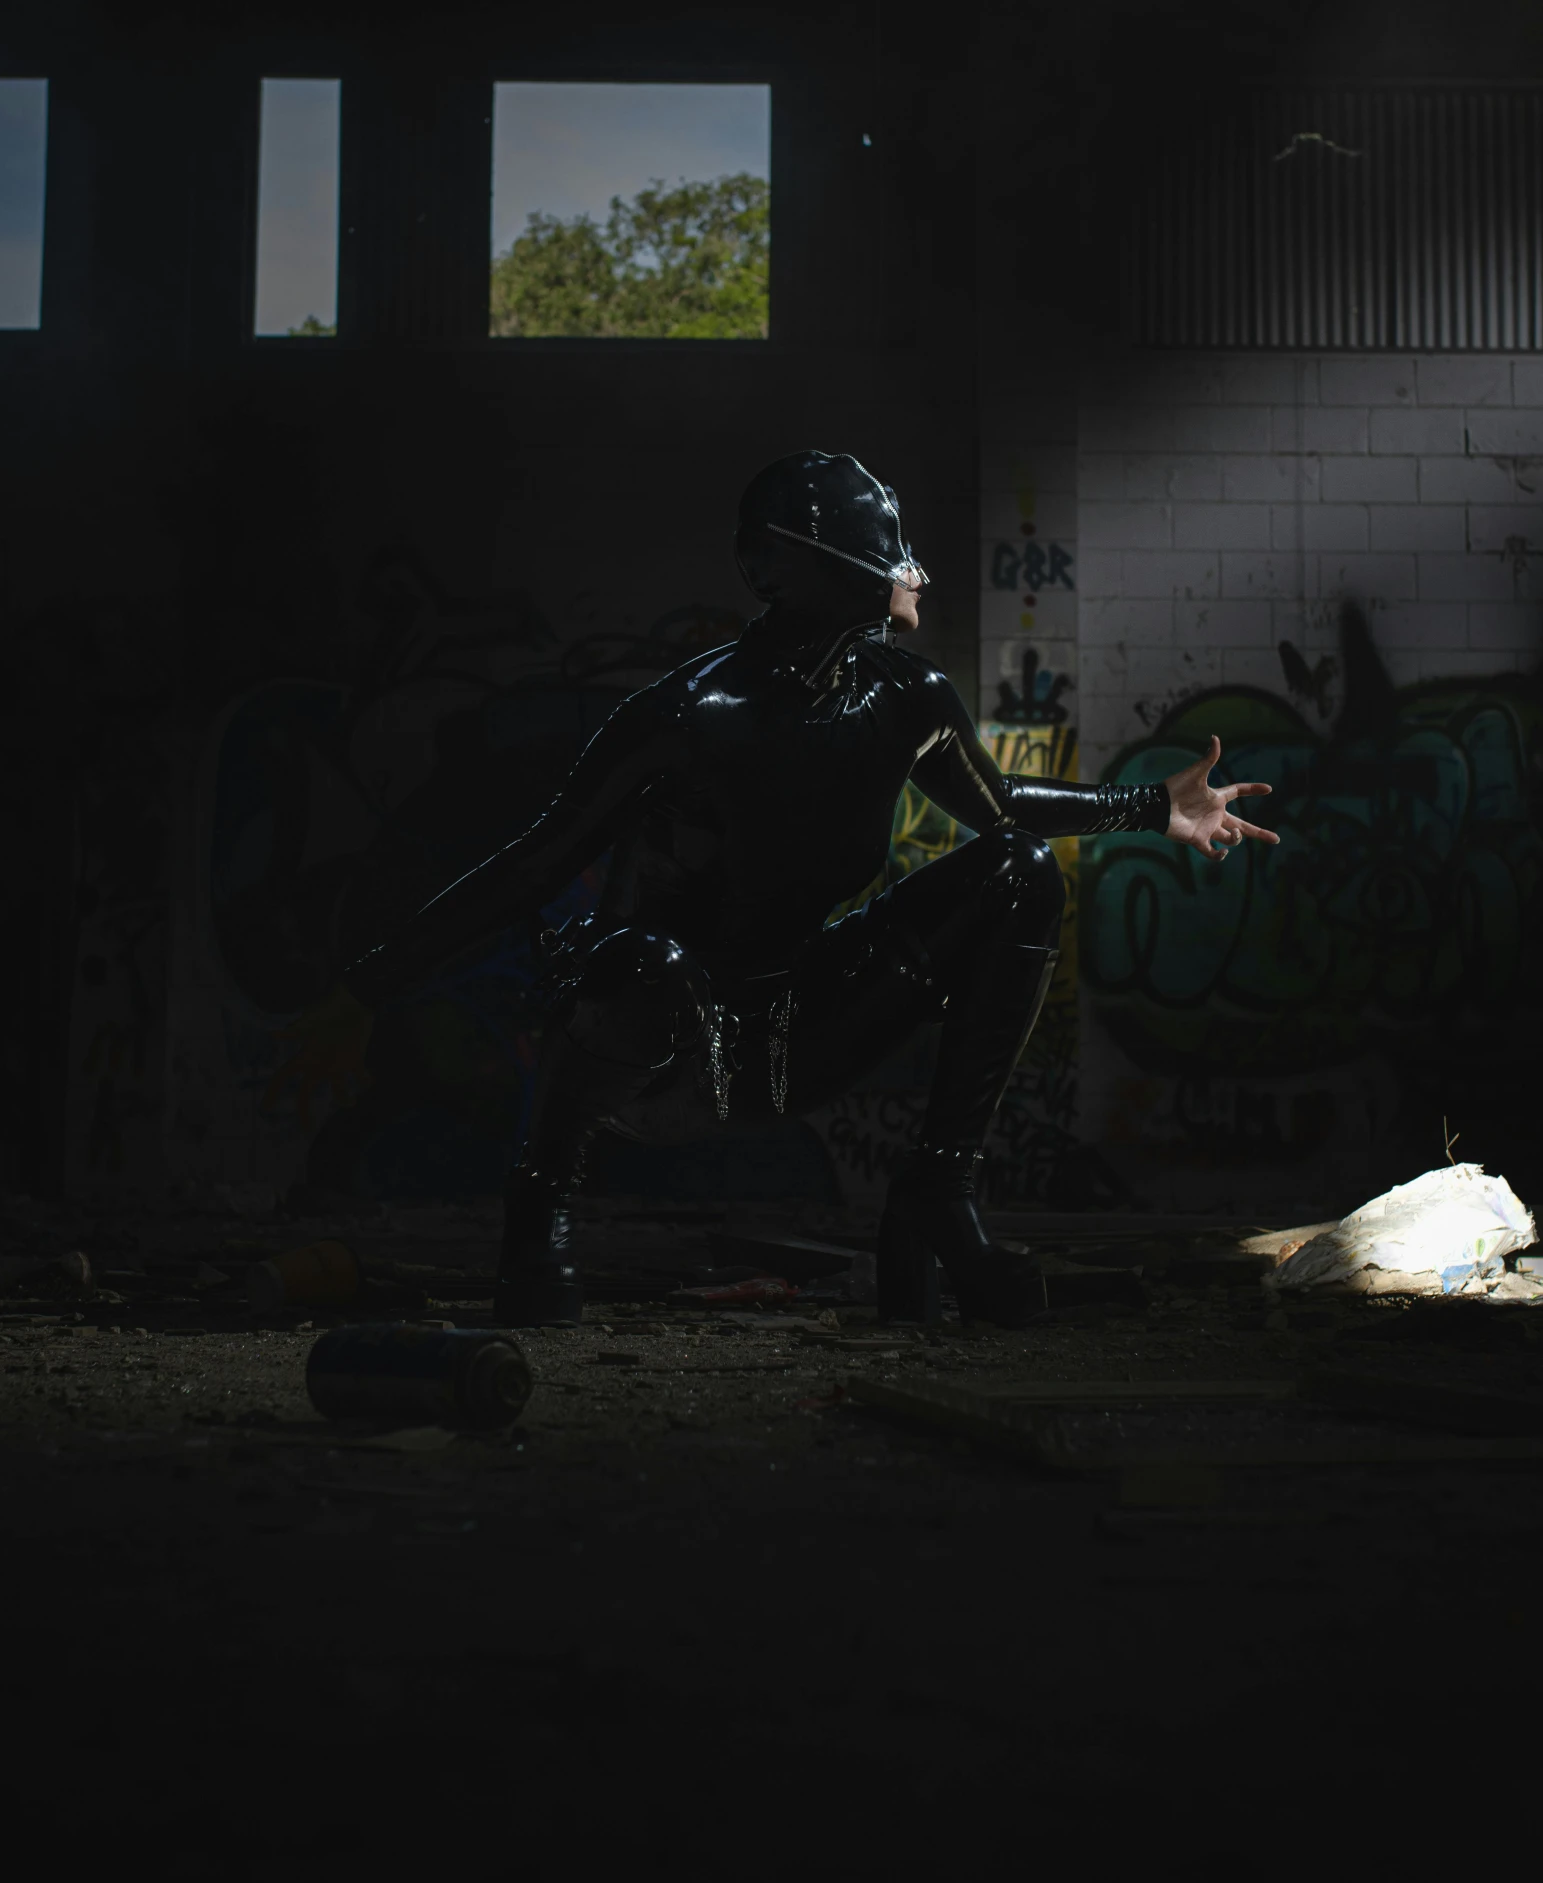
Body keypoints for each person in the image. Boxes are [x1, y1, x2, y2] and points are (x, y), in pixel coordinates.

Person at [285, 452, 1278, 1327]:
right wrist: (362, 988)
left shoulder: (907, 698)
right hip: (663, 1040)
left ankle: (938, 1193)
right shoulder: (683, 713)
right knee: (643, 961)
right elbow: (532, 863)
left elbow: (998, 805)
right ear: (808, 561)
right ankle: (538, 1209)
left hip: (796, 1026)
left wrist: (1154, 806)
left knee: (1017, 875)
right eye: (889, 546)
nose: (915, 569)